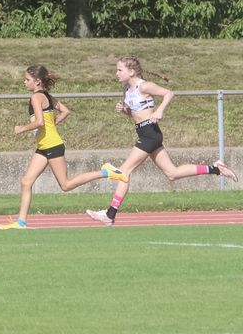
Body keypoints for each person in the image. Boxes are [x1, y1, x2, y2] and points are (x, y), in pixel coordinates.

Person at [87, 56, 238, 226]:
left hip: (150, 134)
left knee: (124, 172)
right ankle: (216, 169)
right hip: (144, 133)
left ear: (131, 71)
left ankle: (110, 214)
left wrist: (159, 111)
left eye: (120, 70)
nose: (116, 73)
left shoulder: (144, 86)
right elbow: (136, 113)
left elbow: (169, 93)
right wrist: (124, 110)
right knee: (172, 173)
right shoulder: (126, 89)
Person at [0, 65, 128, 230]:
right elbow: (65, 111)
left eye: (27, 79)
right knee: (26, 181)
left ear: (37, 82)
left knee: (66, 185)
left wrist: (21, 128)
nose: (24, 82)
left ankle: (106, 172)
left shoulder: (36, 97)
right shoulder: (47, 96)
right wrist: (52, 124)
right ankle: (21, 222)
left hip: (52, 145)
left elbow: (39, 122)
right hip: (43, 146)